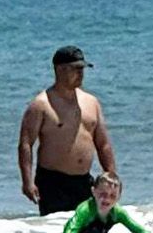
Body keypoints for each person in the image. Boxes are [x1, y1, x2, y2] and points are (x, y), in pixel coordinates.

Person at [18, 45, 118, 215]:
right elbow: (26, 144)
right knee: (59, 231)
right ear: (59, 70)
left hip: (84, 181)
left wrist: (111, 177)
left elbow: (103, 144)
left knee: (89, 231)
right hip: (53, 183)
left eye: (82, 69)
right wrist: (27, 182)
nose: (81, 74)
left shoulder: (91, 102)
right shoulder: (41, 104)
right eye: (76, 69)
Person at [55, 173, 153, 233]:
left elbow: (136, 228)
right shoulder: (85, 210)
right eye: (103, 194)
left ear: (119, 197)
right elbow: (72, 227)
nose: (107, 199)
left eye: (112, 196)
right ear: (93, 191)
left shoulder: (117, 212)